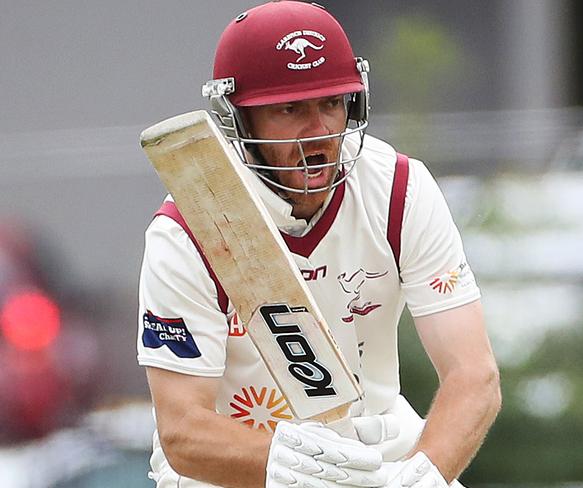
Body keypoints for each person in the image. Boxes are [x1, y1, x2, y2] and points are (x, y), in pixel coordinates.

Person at [137, 1, 501, 487]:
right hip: (238, 466)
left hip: (380, 448)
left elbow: (473, 376)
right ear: (238, 119)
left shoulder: (398, 190)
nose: (320, 134)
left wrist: (424, 475)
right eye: (290, 110)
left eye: (331, 104)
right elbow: (183, 432)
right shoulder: (187, 231)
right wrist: (287, 465)